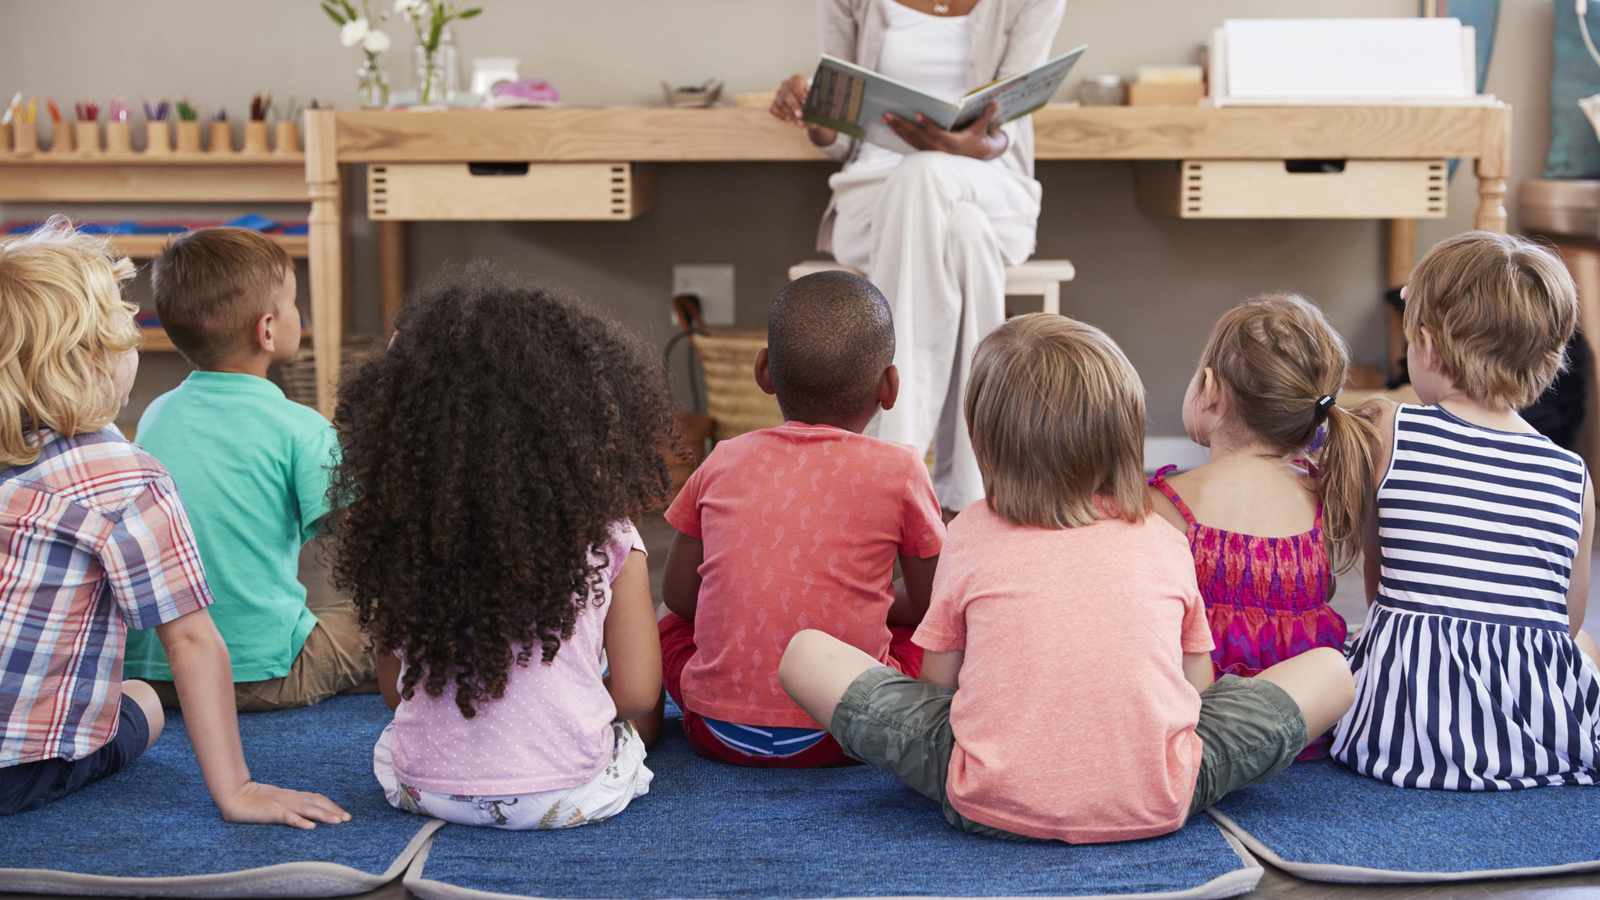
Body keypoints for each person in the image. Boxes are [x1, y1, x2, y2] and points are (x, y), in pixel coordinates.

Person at [779, 314, 1355, 843]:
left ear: (984, 444)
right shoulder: (1164, 536)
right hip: (1163, 797)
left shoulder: (972, 530)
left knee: (806, 652)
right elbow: (1198, 694)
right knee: (1332, 669)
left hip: (984, 796)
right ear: (1126, 439)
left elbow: (938, 690)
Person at [0, 218, 349, 826]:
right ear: (91, 360)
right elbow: (190, 639)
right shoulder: (124, 476)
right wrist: (238, 790)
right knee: (142, 707)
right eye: (126, 336)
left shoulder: (156, 418)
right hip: (19, 771)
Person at [329, 267, 667, 830]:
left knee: (399, 737)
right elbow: (636, 694)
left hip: (422, 790)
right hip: (571, 796)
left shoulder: (401, 533)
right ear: (573, 417)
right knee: (624, 718)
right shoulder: (610, 535)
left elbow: (394, 691)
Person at [770, 0, 1065, 513]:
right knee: (958, 227)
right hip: (877, 194)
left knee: (927, 174)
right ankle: (974, 489)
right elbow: (837, 134)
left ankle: (890, 463)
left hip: (989, 185)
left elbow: (1011, 121)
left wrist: (959, 147)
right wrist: (811, 113)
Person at [1332, 232, 1600, 789]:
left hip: (1405, 732)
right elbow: (1565, 621)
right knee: (1587, 643)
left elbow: (1382, 586)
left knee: (1346, 647)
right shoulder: (1573, 476)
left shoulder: (1391, 429)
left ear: (1426, 345)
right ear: (1551, 358)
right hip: (1534, 738)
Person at [657, 271, 944, 767]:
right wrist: (865, 604)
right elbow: (932, 606)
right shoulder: (901, 471)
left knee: (665, 628)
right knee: (926, 641)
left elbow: (681, 599)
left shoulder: (722, 459)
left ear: (764, 371)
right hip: (846, 731)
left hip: (715, 729)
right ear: (890, 386)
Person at [122, 228, 372, 711]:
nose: (301, 314)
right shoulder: (301, 427)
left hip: (160, 670)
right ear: (267, 330)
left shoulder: (154, 415)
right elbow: (365, 536)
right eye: (295, 303)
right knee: (378, 619)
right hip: (264, 673)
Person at [1148, 294, 1377, 759]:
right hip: (1299, 717)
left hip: (1198, 713)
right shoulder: (1323, 493)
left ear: (1209, 388)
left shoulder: (1164, 503)